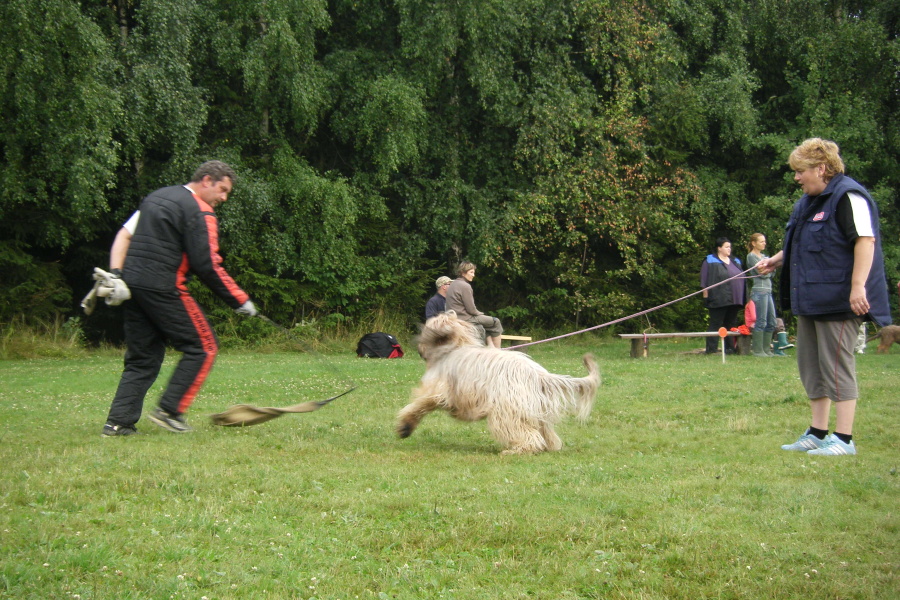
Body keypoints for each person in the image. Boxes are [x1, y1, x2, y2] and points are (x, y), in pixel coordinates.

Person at [756, 138, 892, 456]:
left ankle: (844, 439)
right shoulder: (808, 203)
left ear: (821, 168)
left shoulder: (848, 196)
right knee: (811, 366)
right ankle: (817, 433)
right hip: (811, 299)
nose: (796, 177)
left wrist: (858, 287)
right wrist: (776, 259)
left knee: (835, 367)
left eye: (800, 171)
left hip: (839, 300)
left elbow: (865, 241)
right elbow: (801, 243)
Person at [102, 161, 257, 436]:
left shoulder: (156, 197)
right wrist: (239, 299)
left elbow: (124, 235)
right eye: (222, 190)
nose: (224, 197)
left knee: (142, 358)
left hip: (133, 287)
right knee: (204, 346)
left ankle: (118, 423)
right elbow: (207, 263)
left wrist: (116, 274)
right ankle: (170, 411)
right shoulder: (200, 210)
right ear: (207, 180)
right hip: (164, 287)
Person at [700, 237, 745, 354]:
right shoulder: (710, 261)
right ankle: (711, 349)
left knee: (730, 324)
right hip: (718, 298)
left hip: (734, 298)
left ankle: (730, 348)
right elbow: (704, 280)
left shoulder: (736, 261)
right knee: (716, 323)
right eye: (726, 247)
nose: (729, 249)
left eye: (730, 247)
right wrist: (706, 296)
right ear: (719, 248)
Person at [445, 261, 504, 348]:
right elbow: (471, 310)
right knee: (495, 322)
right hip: (465, 318)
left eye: (474, 272)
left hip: (453, 317)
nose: (473, 275)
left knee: (485, 324)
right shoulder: (465, 286)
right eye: (471, 272)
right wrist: (480, 313)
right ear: (463, 273)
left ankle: (491, 346)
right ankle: (498, 352)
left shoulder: (453, 284)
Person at [745, 233, 777, 357]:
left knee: (772, 321)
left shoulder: (764, 257)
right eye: (761, 241)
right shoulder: (751, 256)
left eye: (764, 241)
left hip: (768, 291)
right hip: (759, 291)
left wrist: (770, 270)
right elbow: (763, 273)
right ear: (754, 243)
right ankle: (758, 351)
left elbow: (772, 272)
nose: (764, 243)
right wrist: (770, 270)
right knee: (761, 321)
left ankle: (766, 350)